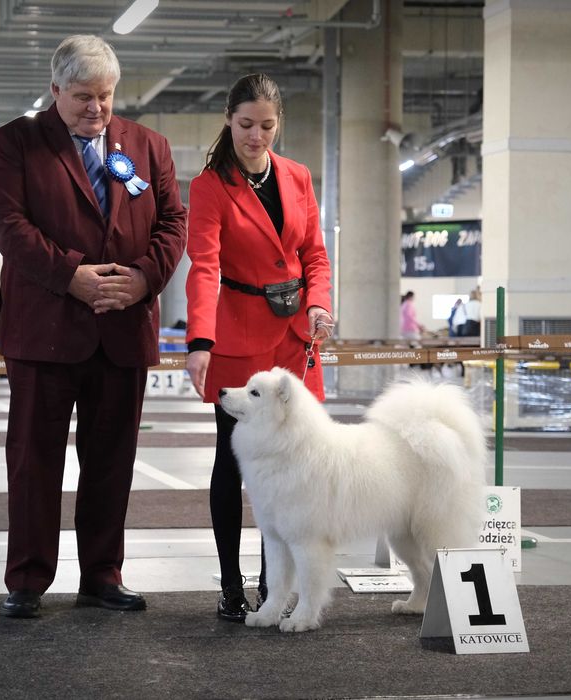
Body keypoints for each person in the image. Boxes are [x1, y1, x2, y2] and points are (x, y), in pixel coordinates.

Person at [0, 34, 187, 618]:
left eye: (104, 96)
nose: (96, 109)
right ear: (54, 91)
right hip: (44, 331)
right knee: (33, 461)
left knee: (112, 462)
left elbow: (174, 222)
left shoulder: (149, 146)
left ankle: (102, 574)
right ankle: (26, 580)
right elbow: (7, 224)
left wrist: (144, 278)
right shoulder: (16, 142)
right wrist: (72, 275)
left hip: (123, 329)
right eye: (81, 98)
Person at [185, 73, 334, 622]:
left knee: (295, 467)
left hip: (295, 340)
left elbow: (314, 254)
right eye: (246, 124)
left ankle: (277, 586)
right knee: (231, 465)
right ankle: (230, 585)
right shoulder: (208, 187)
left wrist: (319, 302)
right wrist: (199, 340)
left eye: (267, 126)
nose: (257, 136)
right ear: (229, 119)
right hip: (238, 338)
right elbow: (203, 267)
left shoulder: (297, 176)